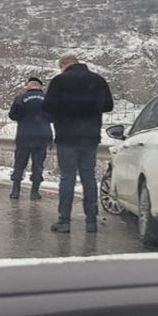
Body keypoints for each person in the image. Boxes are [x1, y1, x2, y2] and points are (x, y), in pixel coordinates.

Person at [43, 53, 114, 233]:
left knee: (67, 177)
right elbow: (108, 106)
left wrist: (60, 115)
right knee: (88, 176)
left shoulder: (59, 81)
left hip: (66, 136)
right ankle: (91, 221)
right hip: (90, 136)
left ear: (64, 65)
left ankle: (64, 221)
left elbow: (47, 108)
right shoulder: (98, 80)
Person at [7, 77, 53, 200]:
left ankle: (15, 191)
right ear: (40, 86)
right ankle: (34, 192)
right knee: (38, 165)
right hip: (41, 137)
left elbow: (13, 115)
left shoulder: (21, 98)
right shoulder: (48, 99)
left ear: (28, 86)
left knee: (19, 164)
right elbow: (53, 117)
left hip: (24, 136)